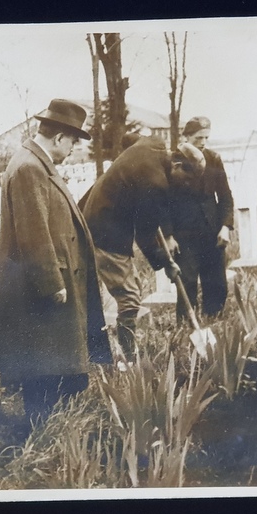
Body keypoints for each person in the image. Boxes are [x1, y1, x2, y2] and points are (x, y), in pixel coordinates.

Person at [0, 99, 112, 427]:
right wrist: (51, 283)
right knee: (45, 367)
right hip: (42, 289)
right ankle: (41, 435)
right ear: (58, 138)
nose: (73, 149)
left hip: (47, 283)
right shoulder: (30, 167)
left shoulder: (35, 163)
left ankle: (47, 429)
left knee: (51, 365)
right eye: (73, 141)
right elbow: (33, 231)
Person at [79, 135, 205, 360]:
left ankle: (124, 352)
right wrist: (166, 265)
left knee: (132, 288)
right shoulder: (155, 183)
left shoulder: (153, 145)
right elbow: (145, 234)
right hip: (105, 231)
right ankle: (128, 358)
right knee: (129, 297)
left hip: (98, 214)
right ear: (176, 164)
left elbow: (155, 210)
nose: (184, 185)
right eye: (186, 179)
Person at [168, 116, 235, 320]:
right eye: (198, 138)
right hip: (184, 233)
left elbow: (225, 197)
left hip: (211, 231)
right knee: (187, 281)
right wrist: (169, 235)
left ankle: (213, 322)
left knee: (216, 282)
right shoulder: (172, 161)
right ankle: (186, 327)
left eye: (206, 137)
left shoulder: (213, 159)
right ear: (186, 137)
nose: (203, 142)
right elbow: (164, 203)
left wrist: (225, 227)